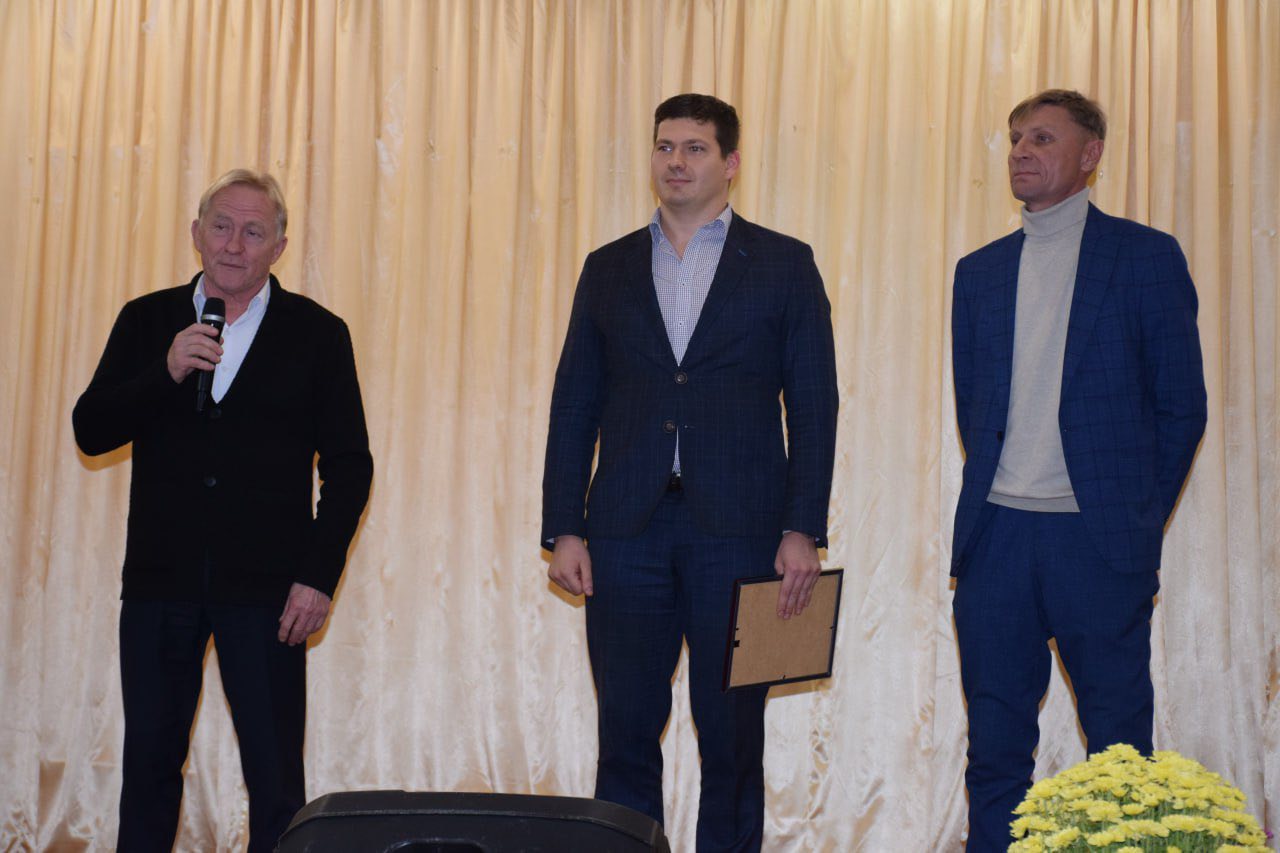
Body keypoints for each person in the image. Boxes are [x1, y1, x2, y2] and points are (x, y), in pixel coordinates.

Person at [541, 93, 838, 852]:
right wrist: (565, 526)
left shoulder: (784, 263)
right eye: (665, 146)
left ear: (731, 164)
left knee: (732, 735)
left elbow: (813, 404)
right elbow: (574, 402)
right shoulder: (607, 267)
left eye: (695, 148)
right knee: (625, 732)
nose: (676, 161)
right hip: (624, 533)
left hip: (743, 534)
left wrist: (802, 528)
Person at [72, 169, 373, 853]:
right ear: (196, 233)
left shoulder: (319, 334)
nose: (234, 244)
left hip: (270, 594)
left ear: (279, 247)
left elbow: (351, 466)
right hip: (159, 585)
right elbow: (91, 429)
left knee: (275, 781)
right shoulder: (147, 319)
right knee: (149, 772)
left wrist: (317, 575)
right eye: (221, 226)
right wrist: (165, 371)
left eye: (254, 231)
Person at [949, 90, 1207, 850]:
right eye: (1015, 138)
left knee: (1120, 753)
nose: (1021, 151)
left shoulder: (1146, 257)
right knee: (995, 749)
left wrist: (1132, 515)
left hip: (1096, 542)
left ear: (1091, 155)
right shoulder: (979, 272)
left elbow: (1181, 408)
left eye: (1042, 138)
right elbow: (975, 408)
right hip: (997, 539)